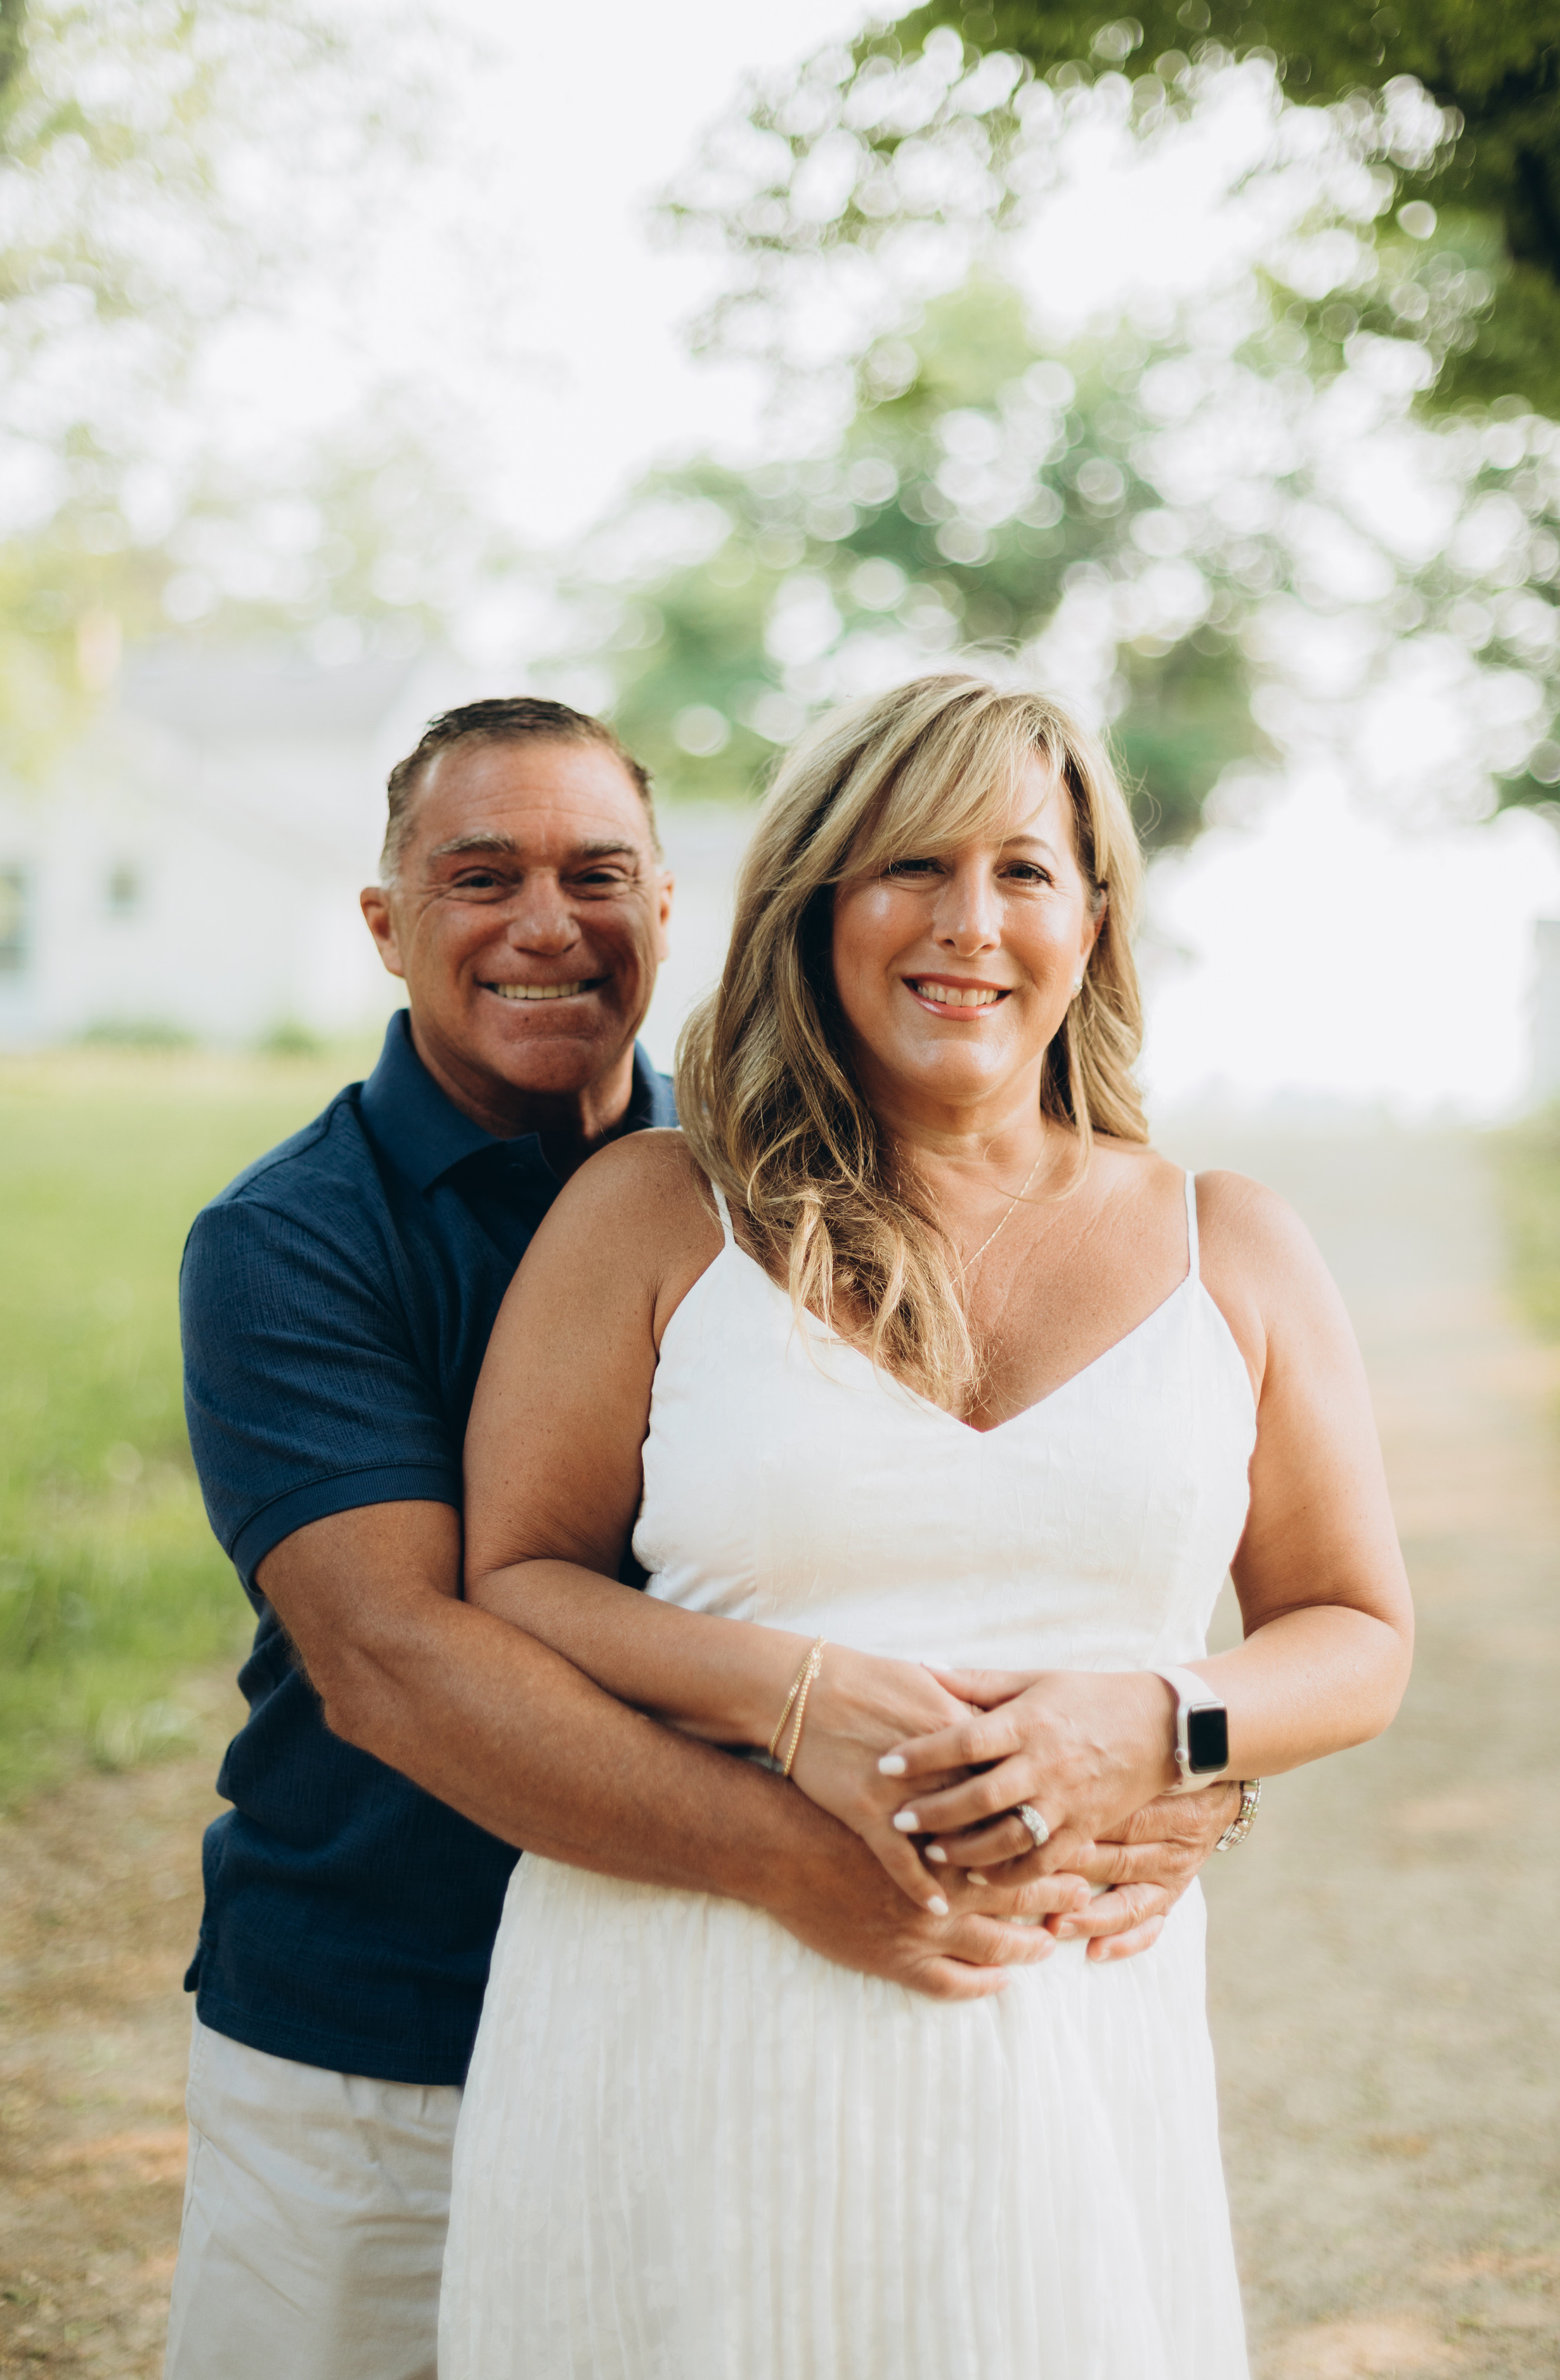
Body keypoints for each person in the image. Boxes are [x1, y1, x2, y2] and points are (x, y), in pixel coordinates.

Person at [164, 694, 1237, 2380]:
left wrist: (1179, 1754)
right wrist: (818, 1863)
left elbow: (995, 1540)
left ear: (675, 910)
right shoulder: (290, 1243)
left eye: (599, 873)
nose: (547, 924)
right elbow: (397, 1663)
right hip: (382, 2022)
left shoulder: (751, 1190)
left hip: (693, 2010)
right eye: (479, 876)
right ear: (385, 923)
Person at [438, 675, 1414, 2379]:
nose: (969, 925)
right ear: (817, 909)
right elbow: (511, 1580)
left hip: (1065, 2041)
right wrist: (794, 1698)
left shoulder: (1234, 1247)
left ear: (1094, 922)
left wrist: (1160, 1722)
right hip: (681, 2010)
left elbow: (1355, 1635)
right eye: (909, 868)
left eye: (1026, 873)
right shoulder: (658, 1212)